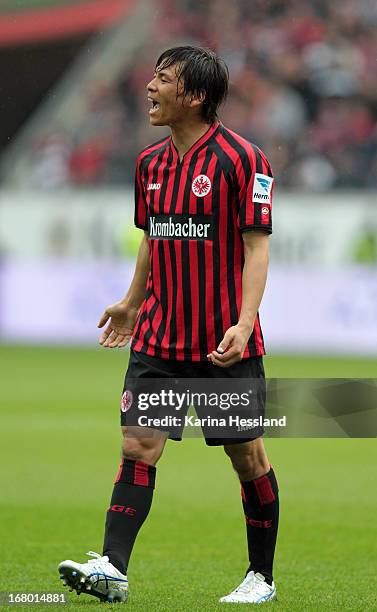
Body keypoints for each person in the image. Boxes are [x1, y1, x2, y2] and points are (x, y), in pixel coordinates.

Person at [58, 46, 279, 605]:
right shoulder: (149, 164)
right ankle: (112, 567)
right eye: (152, 77)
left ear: (196, 95)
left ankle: (261, 577)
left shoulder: (243, 159)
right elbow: (156, 236)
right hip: (159, 338)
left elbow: (257, 248)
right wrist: (133, 304)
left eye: (163, 79)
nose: (150, 88)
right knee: (138, 446)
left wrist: (245, 320)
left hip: (221, 344)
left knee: (246, 455)